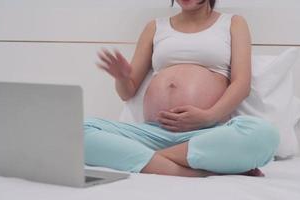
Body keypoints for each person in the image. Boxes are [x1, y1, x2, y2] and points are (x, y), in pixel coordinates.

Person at [85, 0, 280, 177]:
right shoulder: (154, 27)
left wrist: (208, 116)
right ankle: (192, 170)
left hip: (207, 134)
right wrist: (122, 77)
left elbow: (241, 85)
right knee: (78, 129)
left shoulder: (233, 23)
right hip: (152, 133)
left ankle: (149, 160)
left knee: (264, 134)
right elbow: (127, 92)